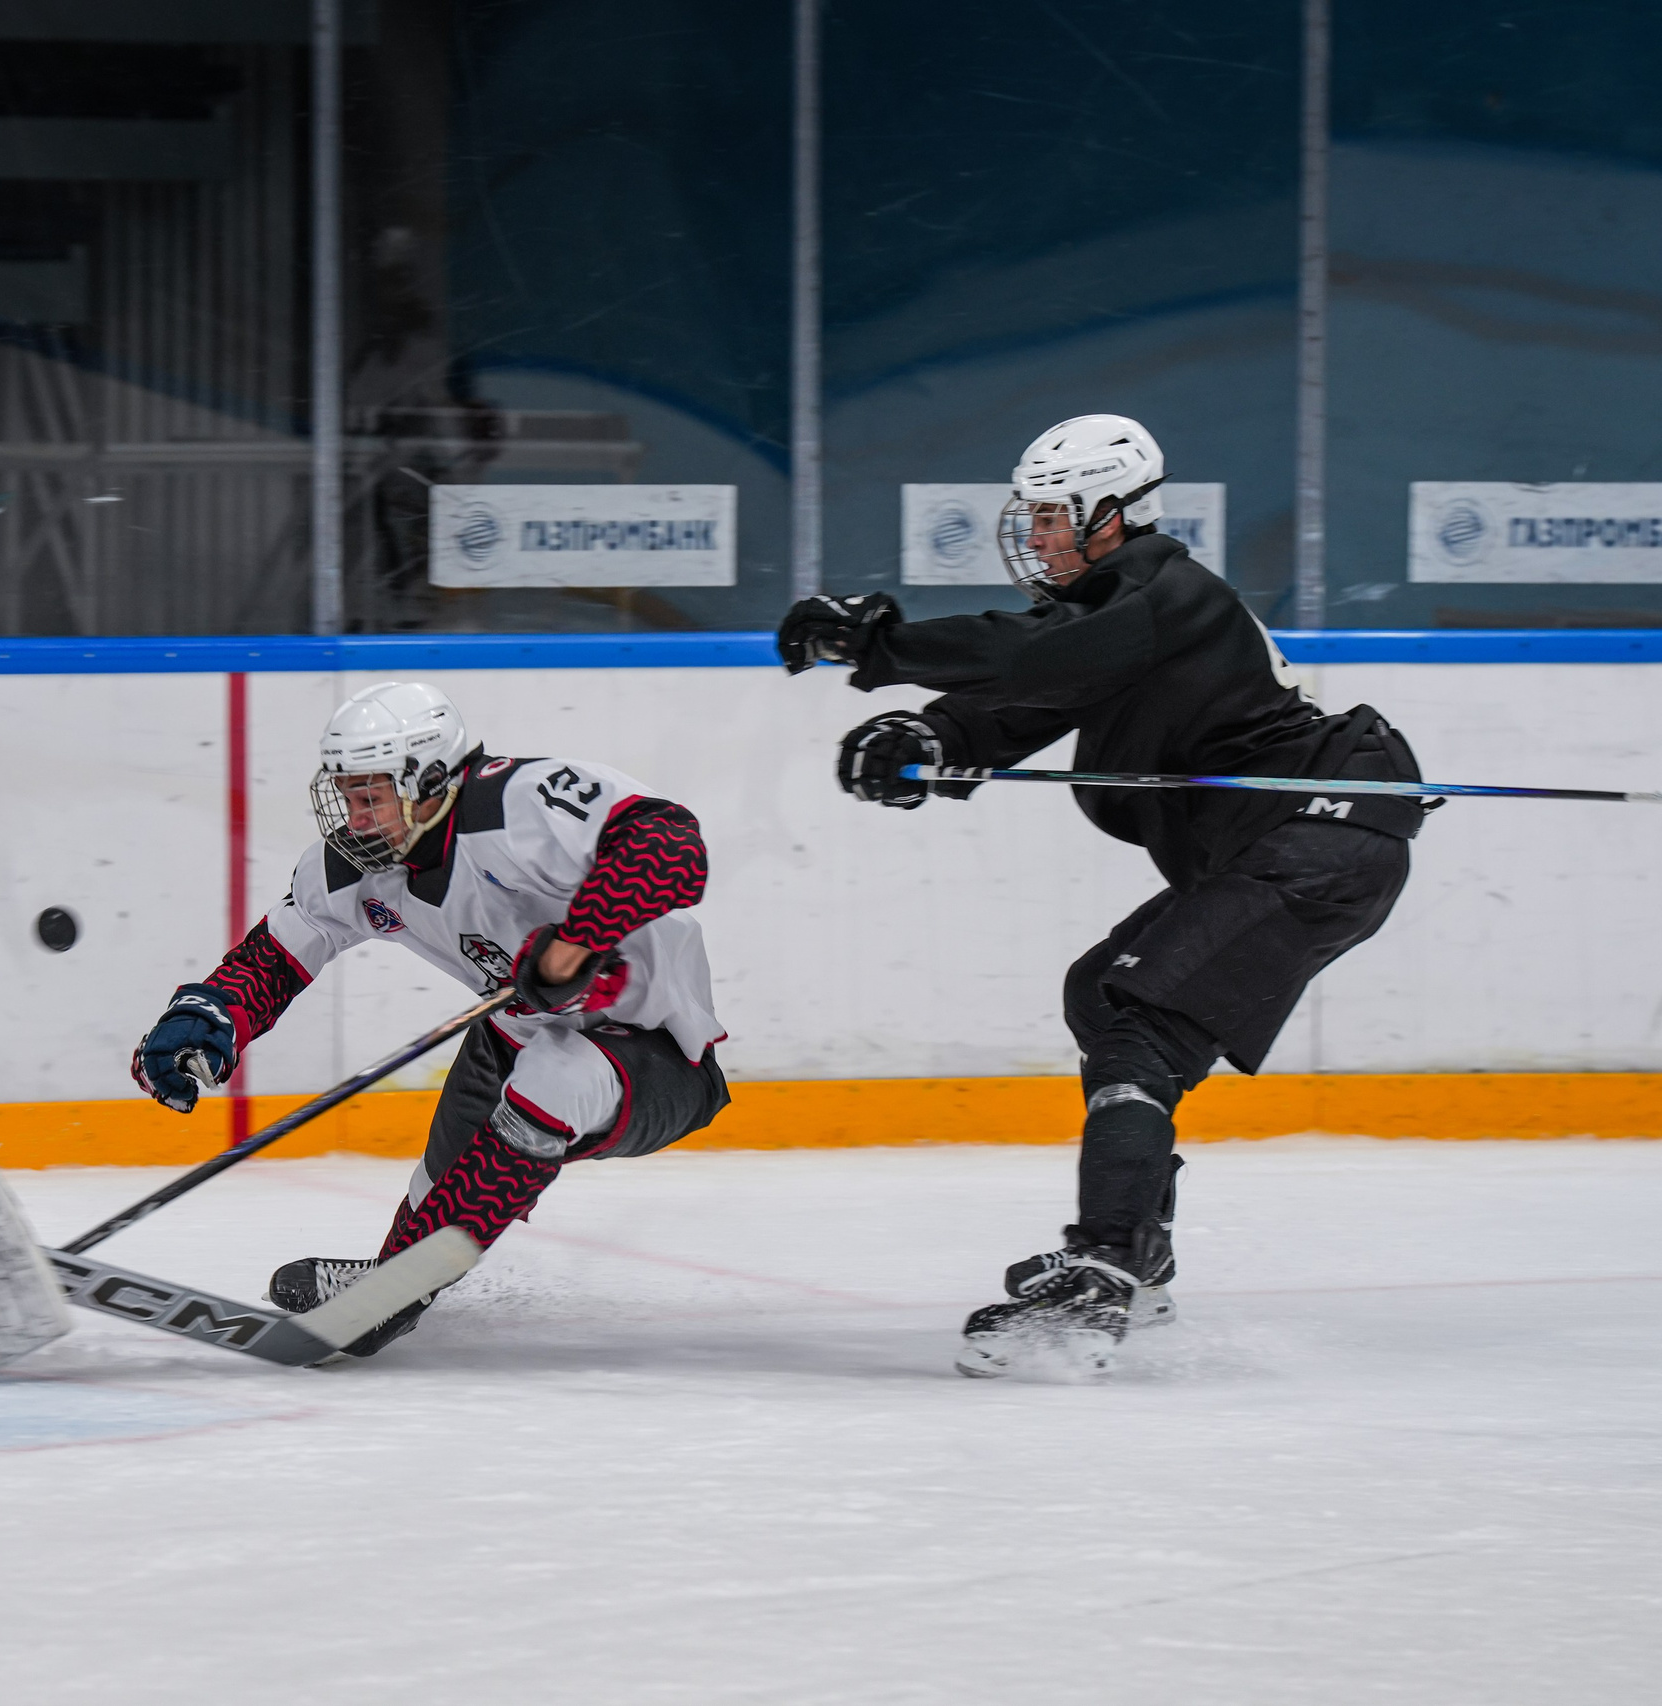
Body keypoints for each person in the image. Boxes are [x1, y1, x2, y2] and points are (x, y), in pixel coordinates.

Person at [778, 414, 1428, 1376]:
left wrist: (880, 645)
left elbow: (1032, 660)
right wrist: (935, 738)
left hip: (1318, 837)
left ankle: (1106, 1268)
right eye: (1034, 517)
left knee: (1139, 1019)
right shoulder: (1120, 615)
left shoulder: (1163, 589)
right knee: (1102, 993)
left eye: (1052, 517)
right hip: (1295, 846)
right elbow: (1036, 695)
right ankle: (1139, 1253)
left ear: (1110, 514)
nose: (1036, 537)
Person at [128, 681, 728, 1357]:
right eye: (348, 798)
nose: (357, 820)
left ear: (432, 781)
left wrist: (573, 946)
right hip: (515, 1036)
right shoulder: (358, 865)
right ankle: (394, 1283)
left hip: (659, 1054)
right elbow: (276, 955)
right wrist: (208, 1013)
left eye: (372, 798)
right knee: (447, 1188)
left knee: (556, 1076)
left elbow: (671, 845)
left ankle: (396, 1291)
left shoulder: (519, 804)